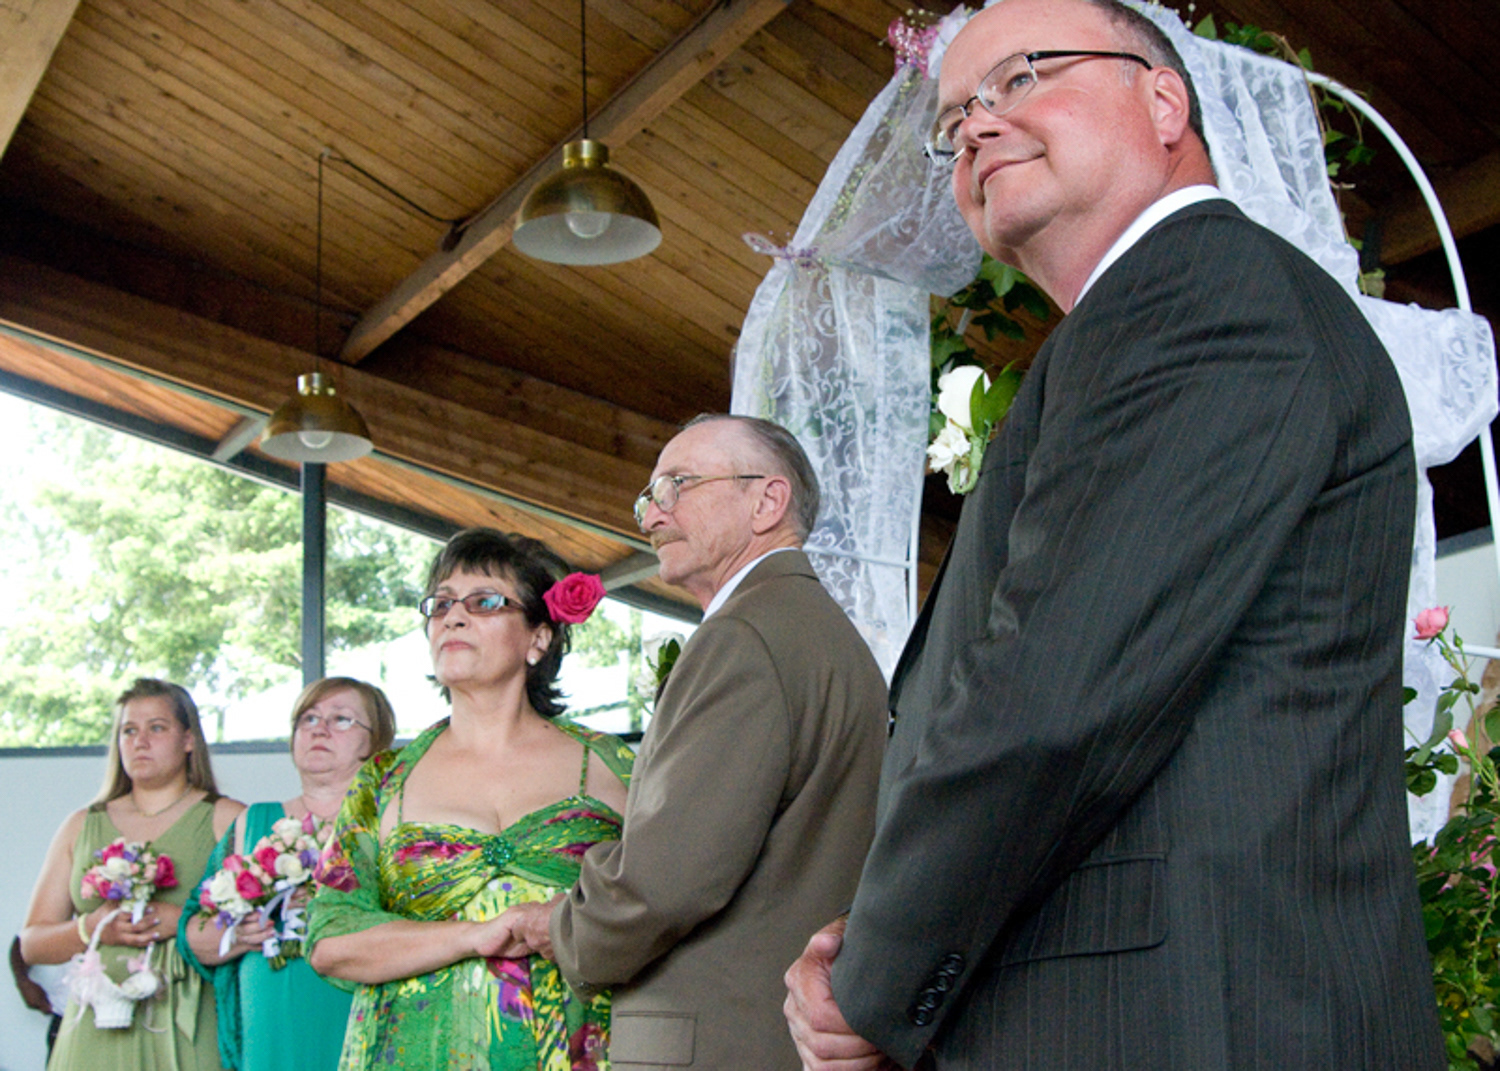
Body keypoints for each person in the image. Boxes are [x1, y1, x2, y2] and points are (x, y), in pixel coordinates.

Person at [784, 1, 1446, 1068]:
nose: (978, 129)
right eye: (954, 119)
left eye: (1024, 76)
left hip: (1193, 1017)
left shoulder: (1201, 293)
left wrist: (876, 981)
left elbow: (1052, 697)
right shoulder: (1147, 315)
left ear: (1164, 97)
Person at [494, 414, 888, 1069]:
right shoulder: (815, 630)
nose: (653, 513)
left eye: (678, 484)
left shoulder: (744, 636)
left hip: (719, 1036)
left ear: (766, 500)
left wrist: (564, 927)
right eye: (649, 496)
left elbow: (670, 875)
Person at [305, 528, 633, 1070]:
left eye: (484, 602)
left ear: (539, 638)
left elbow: (671, 905)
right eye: (441, 604)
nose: (453, 617)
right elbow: (332, 941)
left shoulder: (612, 766)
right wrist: (476, 935)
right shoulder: (384, 780)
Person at [21, 678, 245, 1071]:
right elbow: (33, 943)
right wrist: (92, 928)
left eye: (156, 727)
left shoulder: (227, 818)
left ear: (189, 739)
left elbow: (264, 925)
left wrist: (185, 924)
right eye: (129, 730)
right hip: (95, 1023)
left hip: (189, 1019)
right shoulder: (80, 824)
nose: (140, 741)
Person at [179, 677, 397, 1071]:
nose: (319, 728)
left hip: (359, 1017)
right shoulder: (253, 821)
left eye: (342, 719)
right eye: (308, 718)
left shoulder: (393, 824)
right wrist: (236, 933)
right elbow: (193, 934)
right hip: (269, 1029)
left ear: (374, 740)